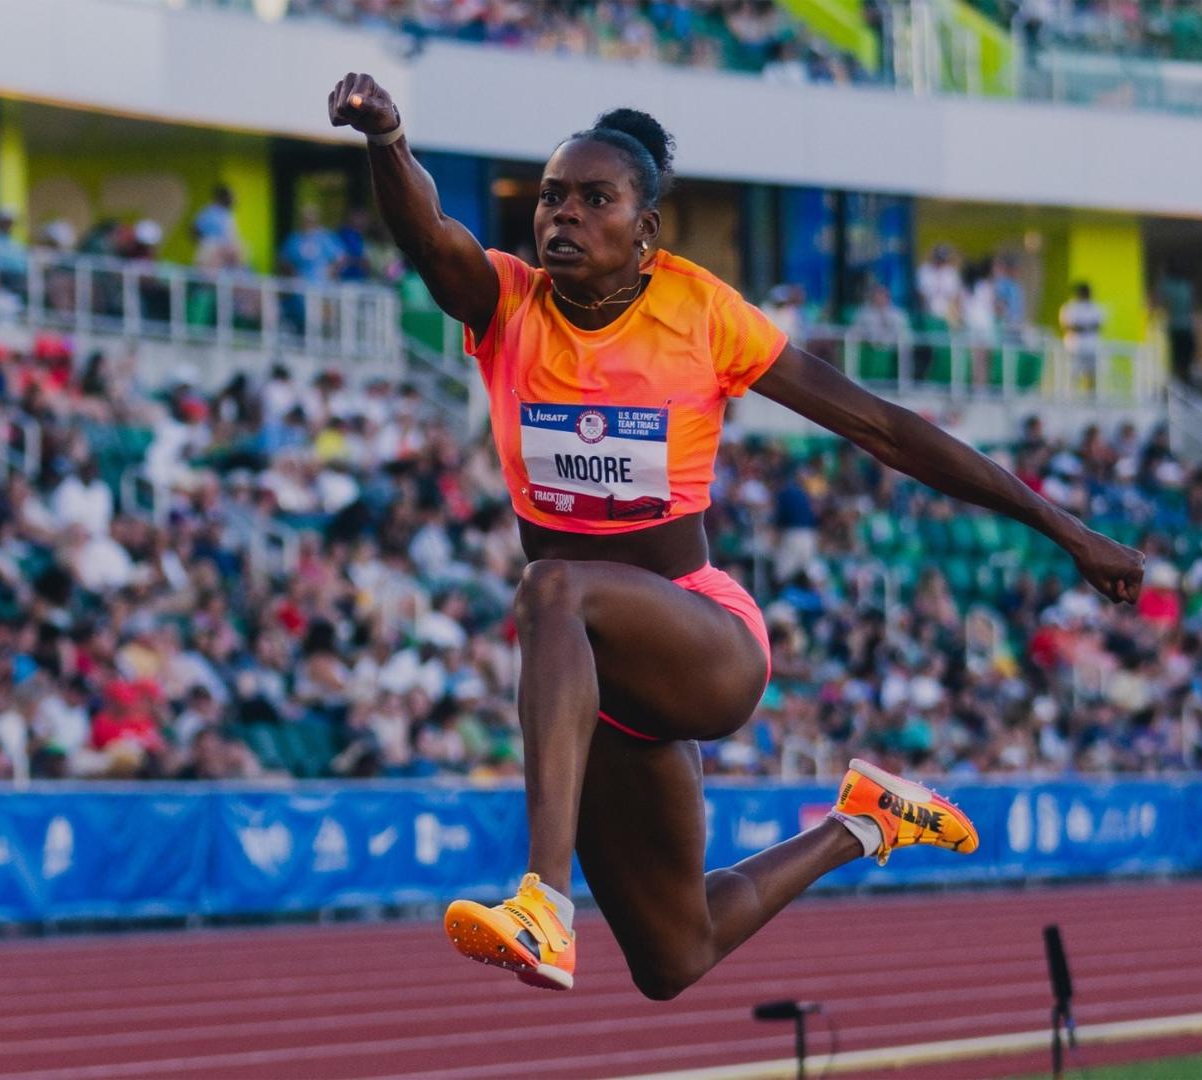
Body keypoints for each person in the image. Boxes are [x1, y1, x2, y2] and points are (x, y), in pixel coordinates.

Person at [330, 72, 1144, 998]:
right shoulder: (505, 304)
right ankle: (866, 820)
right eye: (552, 196)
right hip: (595, 684)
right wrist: (389, 140)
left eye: (596, 199)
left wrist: (1065, 528)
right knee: (673, 956)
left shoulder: (702, 314)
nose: (563, 214)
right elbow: (428, 236)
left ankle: (543, 902)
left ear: (646, 232)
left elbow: (882, 427)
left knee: (553, 583)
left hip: (699, 638)